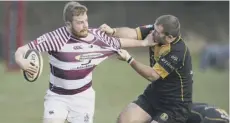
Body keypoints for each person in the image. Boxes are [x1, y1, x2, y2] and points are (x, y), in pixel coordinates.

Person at [14, 2, 154, 123]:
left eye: (86, 20)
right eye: (80, 22)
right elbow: (22, 50)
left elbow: (120, 42)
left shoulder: (97, 37)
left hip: (83, 98)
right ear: (68, 24)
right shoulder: (55, 38)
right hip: (57, 97)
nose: (85, 25)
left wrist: (144, 43)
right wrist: (22, 62)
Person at [100, 15, 193, 123]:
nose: (153, 32)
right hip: (154, 95)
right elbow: (133, 33)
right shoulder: (154, 31)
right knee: (124, 120)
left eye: (158, 32)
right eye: (154, 28)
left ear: (170, 37)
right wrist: (112, 31)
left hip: (175, 106)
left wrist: (129, 59)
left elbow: (152, 75)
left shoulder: (178, 51)